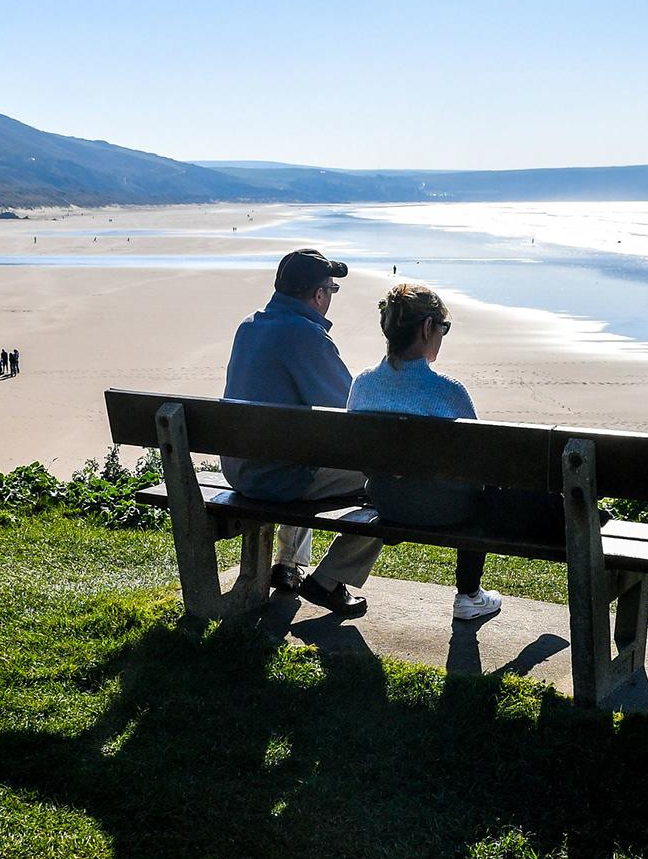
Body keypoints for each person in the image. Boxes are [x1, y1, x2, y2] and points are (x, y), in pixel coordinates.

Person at [347, 284, 567, 622]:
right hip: (449, 512)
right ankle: (468, 595)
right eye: (443, 328)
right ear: (426, 328)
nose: (442, 336)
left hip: (387, 503)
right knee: (488, 492)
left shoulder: (363, 385)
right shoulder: (448, 393)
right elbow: (483, 466)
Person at [222, 249, 384, 614]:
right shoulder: (306, 336)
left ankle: (288, 564)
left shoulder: (248, 326)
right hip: (275, 477)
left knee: (298, 448)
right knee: (389, 481)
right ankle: (329, 580)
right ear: (318, 294)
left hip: (238, 469)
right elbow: (351, 413)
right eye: (332, 290)